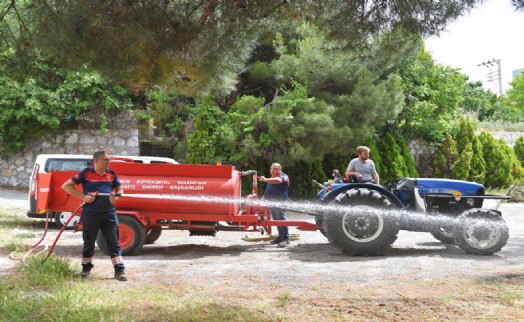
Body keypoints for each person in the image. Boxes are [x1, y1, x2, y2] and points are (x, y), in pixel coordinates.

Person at [62, 151, 127, 281]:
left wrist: (117, 197)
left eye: (109, 160)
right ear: (96, 161)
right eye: (105, 160)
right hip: (91, 214)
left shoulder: (111, 174)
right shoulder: (86, 173)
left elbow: (120, 190)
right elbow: (66, 186)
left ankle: (119, 271)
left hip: (109, 213)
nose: (108, 162)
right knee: (89, 242)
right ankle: (86, 269)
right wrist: (83, 197)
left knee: (113, 242)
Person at [259, 163, 291, 247]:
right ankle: (280, 237)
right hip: (272, 203)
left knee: (281, 220)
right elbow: (268, 190)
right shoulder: (271, 178)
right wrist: (263, 197)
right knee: (276, 220)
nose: (272, 170)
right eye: (271, 168)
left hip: (280, 203)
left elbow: (279, 180)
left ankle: (286, 239)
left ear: (280, 170)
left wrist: (265, 179)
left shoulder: (283, 176)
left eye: (275, 169)